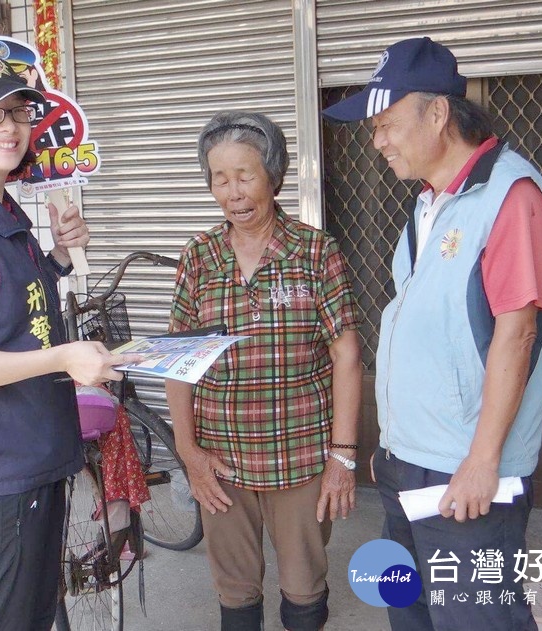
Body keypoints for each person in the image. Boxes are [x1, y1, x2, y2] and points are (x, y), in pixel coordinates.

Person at [323, 37, 542, 631]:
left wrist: (483, 461)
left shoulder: (510, 196)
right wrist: (393, 447)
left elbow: (516, 333)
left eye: (385, 125)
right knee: (410, 613)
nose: (376, 141)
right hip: (410, 462)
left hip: (465, 473)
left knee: (477, 620)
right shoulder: (430, 202)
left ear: (437, 113)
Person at [0, 44, 135, 630]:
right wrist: (63, 356)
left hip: (26, 460)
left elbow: (11, 311)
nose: (8, 126)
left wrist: (58, 255)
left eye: (17, 112)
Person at [165, 111, 362, 631]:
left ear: (273, 176)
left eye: (245, 175)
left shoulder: (315, 251)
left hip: (299, 456)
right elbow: (178, 363)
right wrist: (189, 452)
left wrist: (343, 456)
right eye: (219, 179)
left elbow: (346, 353)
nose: (233, 192)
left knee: (303, 585)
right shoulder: (200, 256)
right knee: (234, 590)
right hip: (220, 461)